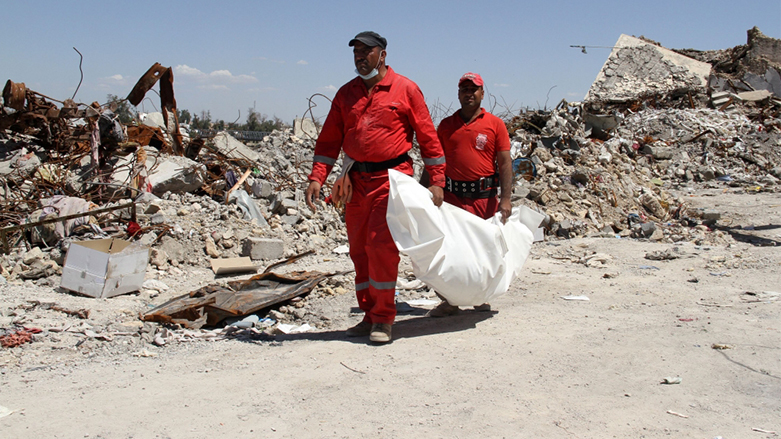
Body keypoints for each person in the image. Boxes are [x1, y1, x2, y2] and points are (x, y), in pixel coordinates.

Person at [305, 31, 446, 343]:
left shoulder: (405, 89)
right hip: (356, 182)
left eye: (366, 52)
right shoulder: (346, 95)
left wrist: (436, 181)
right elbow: (329, 140)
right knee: (359, 249)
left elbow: (427, 137)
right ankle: (368, 314)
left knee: (380, 246)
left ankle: (383, 319)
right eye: (356, 52)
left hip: (392, 181)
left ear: (383, 55)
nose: (359, 57)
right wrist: (317, 177)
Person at [426, 72, 513, 318]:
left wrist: (505, 199)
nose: (469, 93)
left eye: (473, 89)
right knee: (449, 251)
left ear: (482, 93)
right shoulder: (445, 125)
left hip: (484, 199)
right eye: (464, 89)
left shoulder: (495, 124)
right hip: (452, 199)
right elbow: (434, 161)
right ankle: (449, 301)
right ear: (458, 94)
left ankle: (481, 298)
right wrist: (426, 191)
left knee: (484, 250)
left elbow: (505, 163)